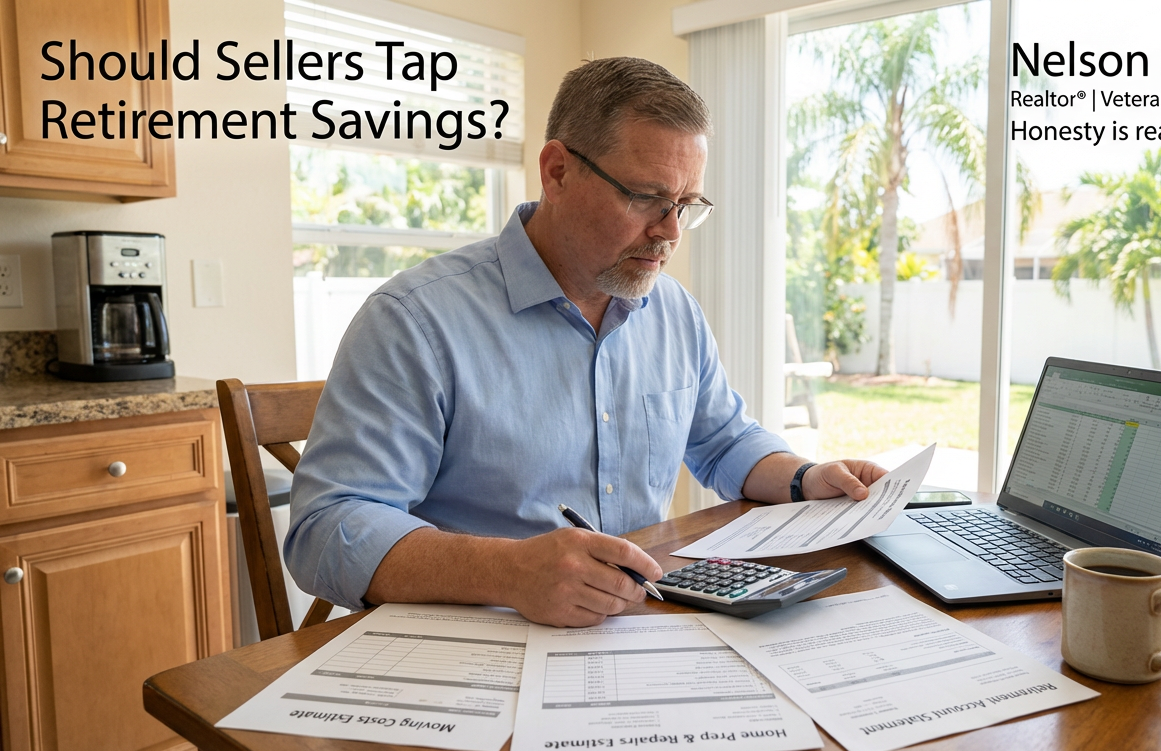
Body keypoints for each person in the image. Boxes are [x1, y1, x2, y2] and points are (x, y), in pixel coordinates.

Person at [286, 57, 887, 628]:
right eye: (647, 198)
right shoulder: (415, 321)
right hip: (471, 645)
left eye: (685, 204)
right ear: (557, 171)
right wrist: (511, 572)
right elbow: (325, 529)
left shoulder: (672, 310)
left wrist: (805, 478)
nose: (671, 231)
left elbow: (723, 439)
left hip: (635, 624)